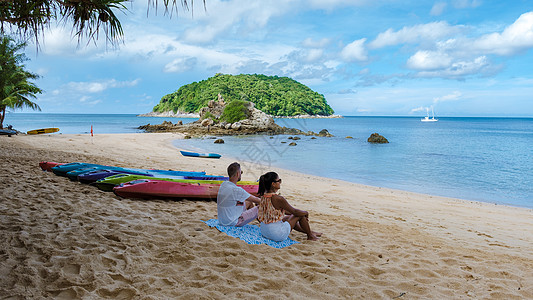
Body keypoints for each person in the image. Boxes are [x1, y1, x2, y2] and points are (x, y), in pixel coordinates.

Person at [257, 172, 321, 241]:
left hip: (264, 231)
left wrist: (298, 214)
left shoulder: (263, 195)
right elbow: (295, 212)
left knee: (289, 217)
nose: (280, 183)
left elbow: (287, 212)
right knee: (299, 215)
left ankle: (310, 232)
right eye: (279, 181)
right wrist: (306, 213)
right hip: (276, 234)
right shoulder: (278, 198)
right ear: (273, 184)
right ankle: (310, 235)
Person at [217, 162, 261, 226]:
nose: (241, 174)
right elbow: (257, 200)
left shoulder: (224, 184)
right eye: (241, 172)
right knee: (260, 207)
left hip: (222, 220)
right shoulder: (237, 190)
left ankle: (258, 221)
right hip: (233, 222)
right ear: (238, 174)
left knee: (248, 202)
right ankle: (262, 224)